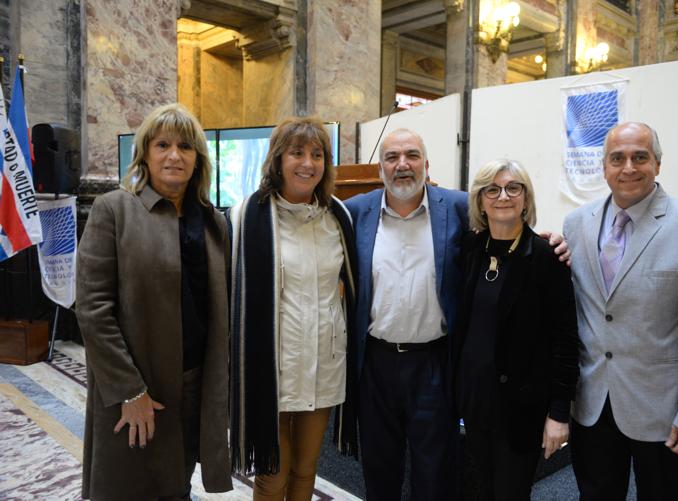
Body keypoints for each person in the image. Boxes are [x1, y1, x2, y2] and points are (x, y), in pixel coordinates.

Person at [345, 128, 570, 500]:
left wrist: (551, 242)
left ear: (427, 164)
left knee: (435, 473)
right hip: (376, 365)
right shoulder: (356, 212)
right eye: (392, 157)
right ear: (380, 168)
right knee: (378, 469)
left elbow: (505, 230)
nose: (403, 165)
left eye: (412, 155)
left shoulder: (456, 207)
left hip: (435, 363)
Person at [563, 122, 678, 500]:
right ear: (603, 166)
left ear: (658, 163)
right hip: (592, 404)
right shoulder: (576, 225)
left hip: (663, 412)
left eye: (640, 157)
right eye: (617, 158)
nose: (628, 168)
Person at [76, 103, 232, 500]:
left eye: (185, 146)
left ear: (198, 158)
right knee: (128, 486)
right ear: (145, 152)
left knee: (176, 483)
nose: (174, 155)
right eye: (163, 144)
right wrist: (130, 391)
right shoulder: (114, 210)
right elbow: (93, 310)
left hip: (195, 382)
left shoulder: (213, 223)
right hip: (138, 386)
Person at [227, 116, 358, 501]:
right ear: (278, 160)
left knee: (306, 471)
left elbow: (352, 291)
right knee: (272, 474)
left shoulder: (338, 218)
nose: (307, 163)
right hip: (273, 369)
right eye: (296, 152)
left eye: (317, 154)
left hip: (323, 364)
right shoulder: (246, 215)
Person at [454, 159, 579, 500]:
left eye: (513, 188)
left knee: (511, 493)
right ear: (480, 200)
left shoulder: (546, 257)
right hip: (474, 403)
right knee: (481, 489)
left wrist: (558, 412)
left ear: (526, 197)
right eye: (491, 189)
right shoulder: (470, 250)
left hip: (520, 409)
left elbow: (565, 342)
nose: (503, 196)